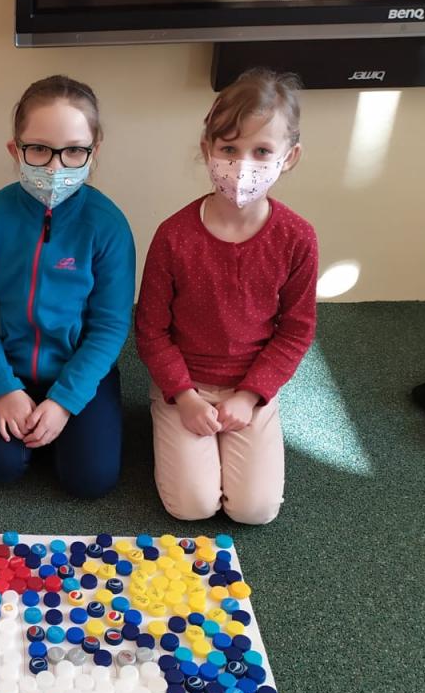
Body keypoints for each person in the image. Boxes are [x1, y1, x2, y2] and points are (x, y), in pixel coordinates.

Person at [135, 68, 318, 524]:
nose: (243, 166)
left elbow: (296, 330)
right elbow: (151, 329)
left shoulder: (297, 238)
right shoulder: (174, 236)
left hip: (250, 388)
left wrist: (251, 395)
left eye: (262, 151)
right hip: (184, 386)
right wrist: (184, 396)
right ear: (207, 150)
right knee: (191, 506)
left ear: (290, 157)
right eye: (229, 149)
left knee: (255, 510)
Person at [0, 75, 135, 499]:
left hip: (79, 371)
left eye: (73, 151)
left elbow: (110, 327)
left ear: (94, 151)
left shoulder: (108, 225)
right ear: (14, 149)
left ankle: (62, 423)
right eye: (38, 149)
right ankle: (25, 420)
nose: (55, 167)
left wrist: (65, 402)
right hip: (9, 369)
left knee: (90, 480)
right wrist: (2, 386)